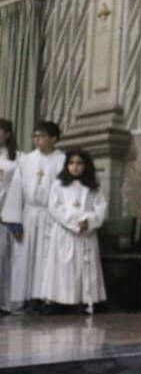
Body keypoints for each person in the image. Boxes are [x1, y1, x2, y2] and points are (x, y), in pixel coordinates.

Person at [0, 121, 65, 310]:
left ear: (53, 138)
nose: (37, 139)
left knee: (47, 258)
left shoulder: (62, 160)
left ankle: (48, 298)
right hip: (30, 213)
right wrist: (14, 221)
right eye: (35, 136)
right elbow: (16, 189)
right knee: (25, 258)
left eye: (42, 136)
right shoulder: (27, 160)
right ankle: (28, 298)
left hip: (51, 214)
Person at [38, 149, 107, 314]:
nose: (75, 167)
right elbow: (54, 207)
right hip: (65, 232)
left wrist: (88, 221)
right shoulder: (59, 184)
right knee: (63, 267)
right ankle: (59, 301)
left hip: (86, 233)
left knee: (84, 267)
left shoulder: (93, 186)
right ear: (66, 165)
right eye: (71, 163)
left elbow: (101, 208)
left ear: (86, 166)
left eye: (79, 163)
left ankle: (85, 300)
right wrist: (75, 223)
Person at [0, 119, 20, 312]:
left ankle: (5, 302)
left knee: (5, 258)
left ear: (7, 134)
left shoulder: (17, 159)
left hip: (6, 213)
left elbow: (17, 189)